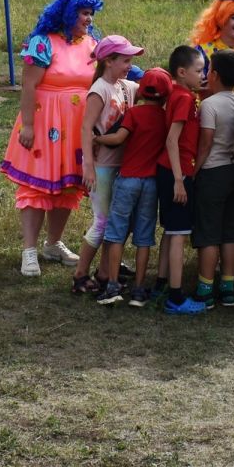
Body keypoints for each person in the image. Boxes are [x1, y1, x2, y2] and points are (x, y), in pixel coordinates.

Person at [2, 0, 104, 277]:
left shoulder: (92, 45)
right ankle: (29, 250)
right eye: (84, 13)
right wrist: (28, 126)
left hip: (77, 126)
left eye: (91, 14)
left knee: (68, 186)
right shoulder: (43, 42)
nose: (89, 19)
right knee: (36, 186)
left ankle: (53, 243)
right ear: (67, 12)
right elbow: (29, 86)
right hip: (46, 123)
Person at [72, 35, 143, 296]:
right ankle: (80, 274)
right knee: (101, 222)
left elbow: (152, 85)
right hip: (101, 166)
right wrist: (88, 165)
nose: (129, 65)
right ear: (108, 61)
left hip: (120, 165)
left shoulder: (125, 87)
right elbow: (86, 127)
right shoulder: (99, 89)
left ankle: (104, 273)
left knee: (115, 222)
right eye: (125, 60)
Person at [95, 68, 172, 307]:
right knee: (144, 236)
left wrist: (97, 138)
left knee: (116, 233)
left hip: (128, 178)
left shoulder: (134, 113)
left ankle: (113, 285)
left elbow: (118, 139)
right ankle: (139, 289)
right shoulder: (165, 117)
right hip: (151, 183)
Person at [189, 50, 234, 308]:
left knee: (208, 234)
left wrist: (195, 170)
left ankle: (205, 289)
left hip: (213, 172)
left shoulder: (209, 105)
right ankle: (227, 287)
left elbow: (206, 143)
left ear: (214, 75)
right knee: (228, 231)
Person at [157, 45, 208, 315]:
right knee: (178, 235)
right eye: (199, 71)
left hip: (171, 170)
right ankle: (175, 298)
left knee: (170, 232)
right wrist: (179, 180)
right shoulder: (185, 99)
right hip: (177, 172)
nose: (203, 75)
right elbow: (171, 140)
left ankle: (161, 283)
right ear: (181, 72)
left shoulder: (181, 93)